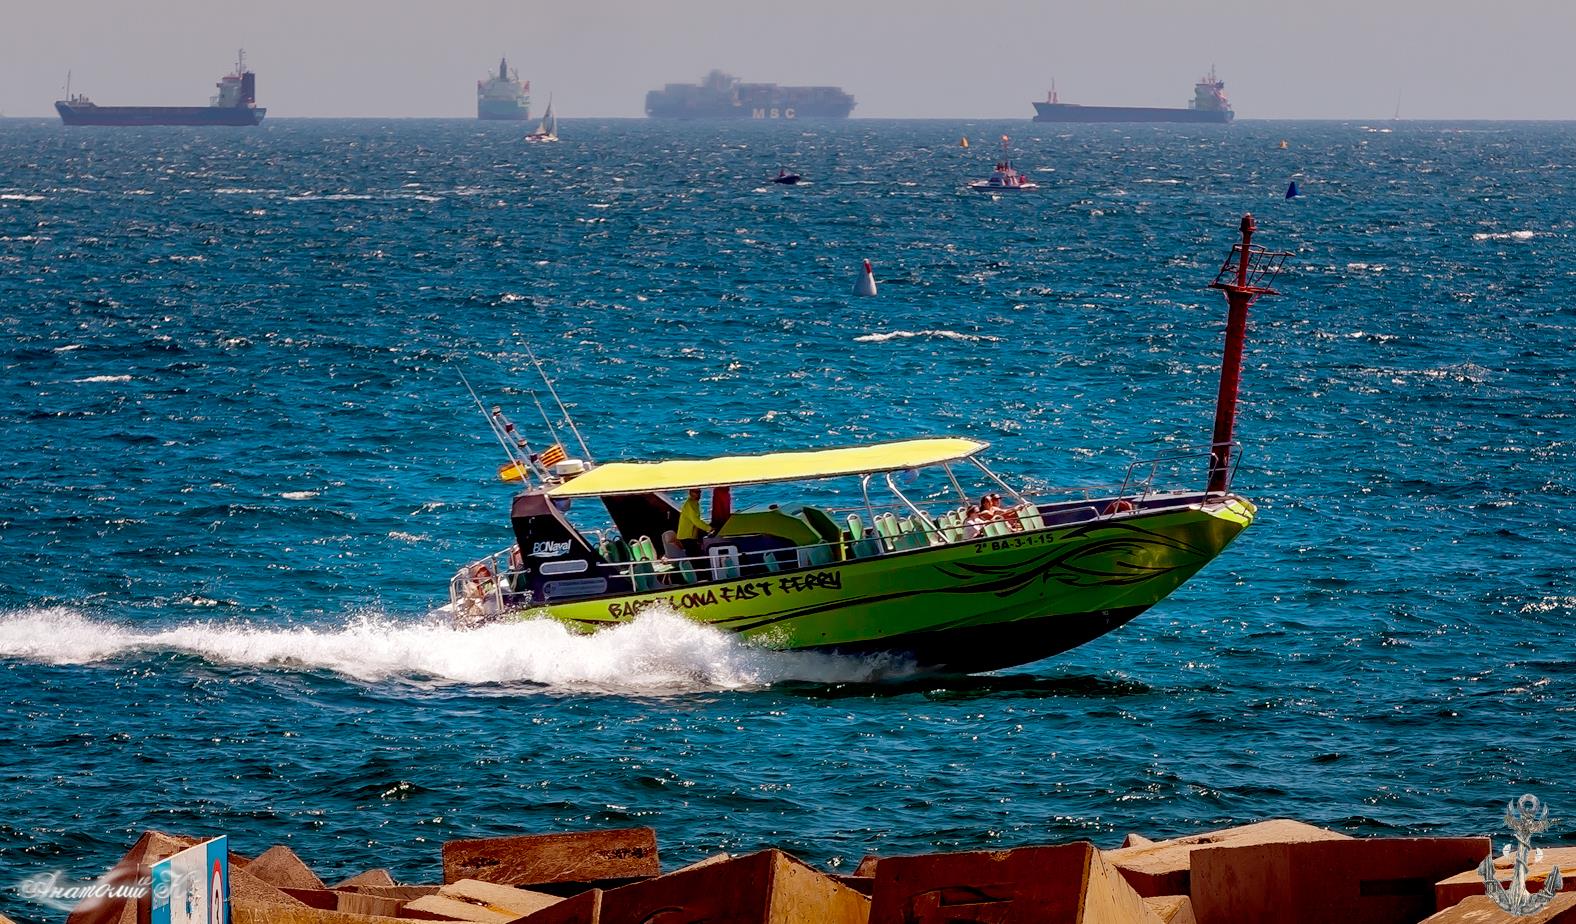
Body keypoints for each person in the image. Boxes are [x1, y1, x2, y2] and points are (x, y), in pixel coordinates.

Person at [677, 488, 711, 557]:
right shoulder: (689, 504)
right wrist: (709, 528)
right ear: (690, 493)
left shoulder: (694, 503)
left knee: (695, 555)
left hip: (690, 536)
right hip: (686, 536)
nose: (699, 494)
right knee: (694, 557)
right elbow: (695, 521)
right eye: (696, 492)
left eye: (699, 492)